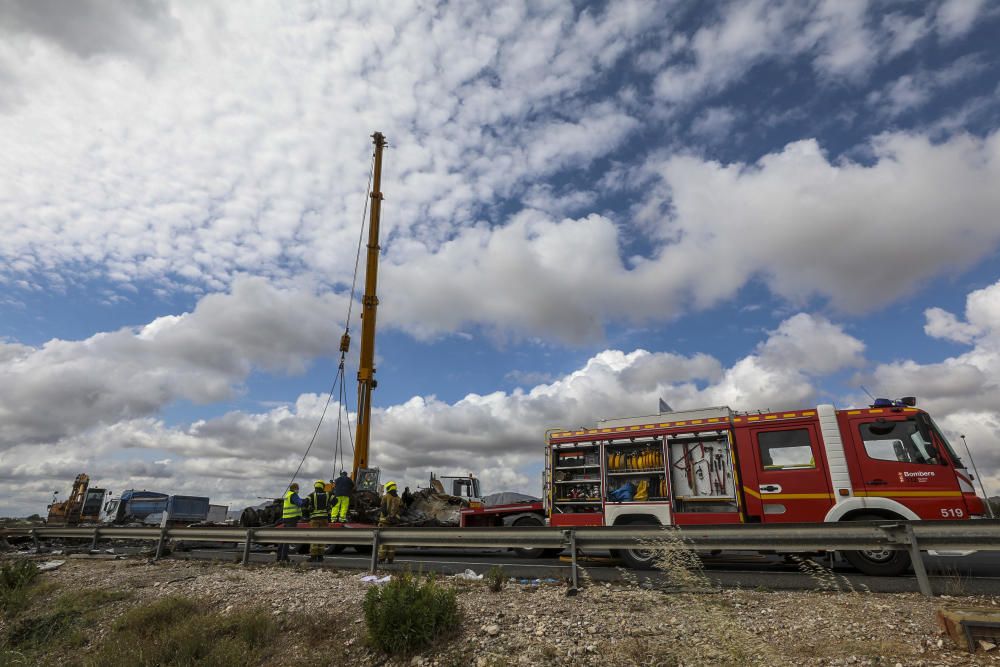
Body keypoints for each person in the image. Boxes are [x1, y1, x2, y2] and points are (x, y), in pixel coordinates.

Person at [276, 482, 305, 562]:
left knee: (283, 538)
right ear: (295, 488)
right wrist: (305, 501)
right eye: (298, 488)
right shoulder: (294, 495)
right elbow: (299, 503)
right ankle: (284, 557)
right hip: (291, 519)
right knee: (287, 538)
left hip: (286, 518)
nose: (298, 490)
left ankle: (279, 557)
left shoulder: (288, 494)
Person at [377, 480, 403, 564]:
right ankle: (390, 559)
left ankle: (381, 558)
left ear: (389, 487)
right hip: (394, 523)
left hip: (384, 522)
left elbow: (383, 508)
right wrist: (395, 517)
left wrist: (387, 517)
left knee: (383, 542)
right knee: (392, 542)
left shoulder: (385, 496)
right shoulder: (399, 498)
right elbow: (401, 510)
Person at [305, 480, 330, 562]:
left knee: (314, 537)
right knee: (322, 537)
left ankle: (313, 556)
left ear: (315, 486)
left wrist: (309, 508)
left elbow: (304, 503)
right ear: (323, 486)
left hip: (314, 519)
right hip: (324, 519)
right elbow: (335, 501)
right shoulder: (327, 494)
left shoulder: (311, 495)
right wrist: (328, 507)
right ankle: (320, 556)